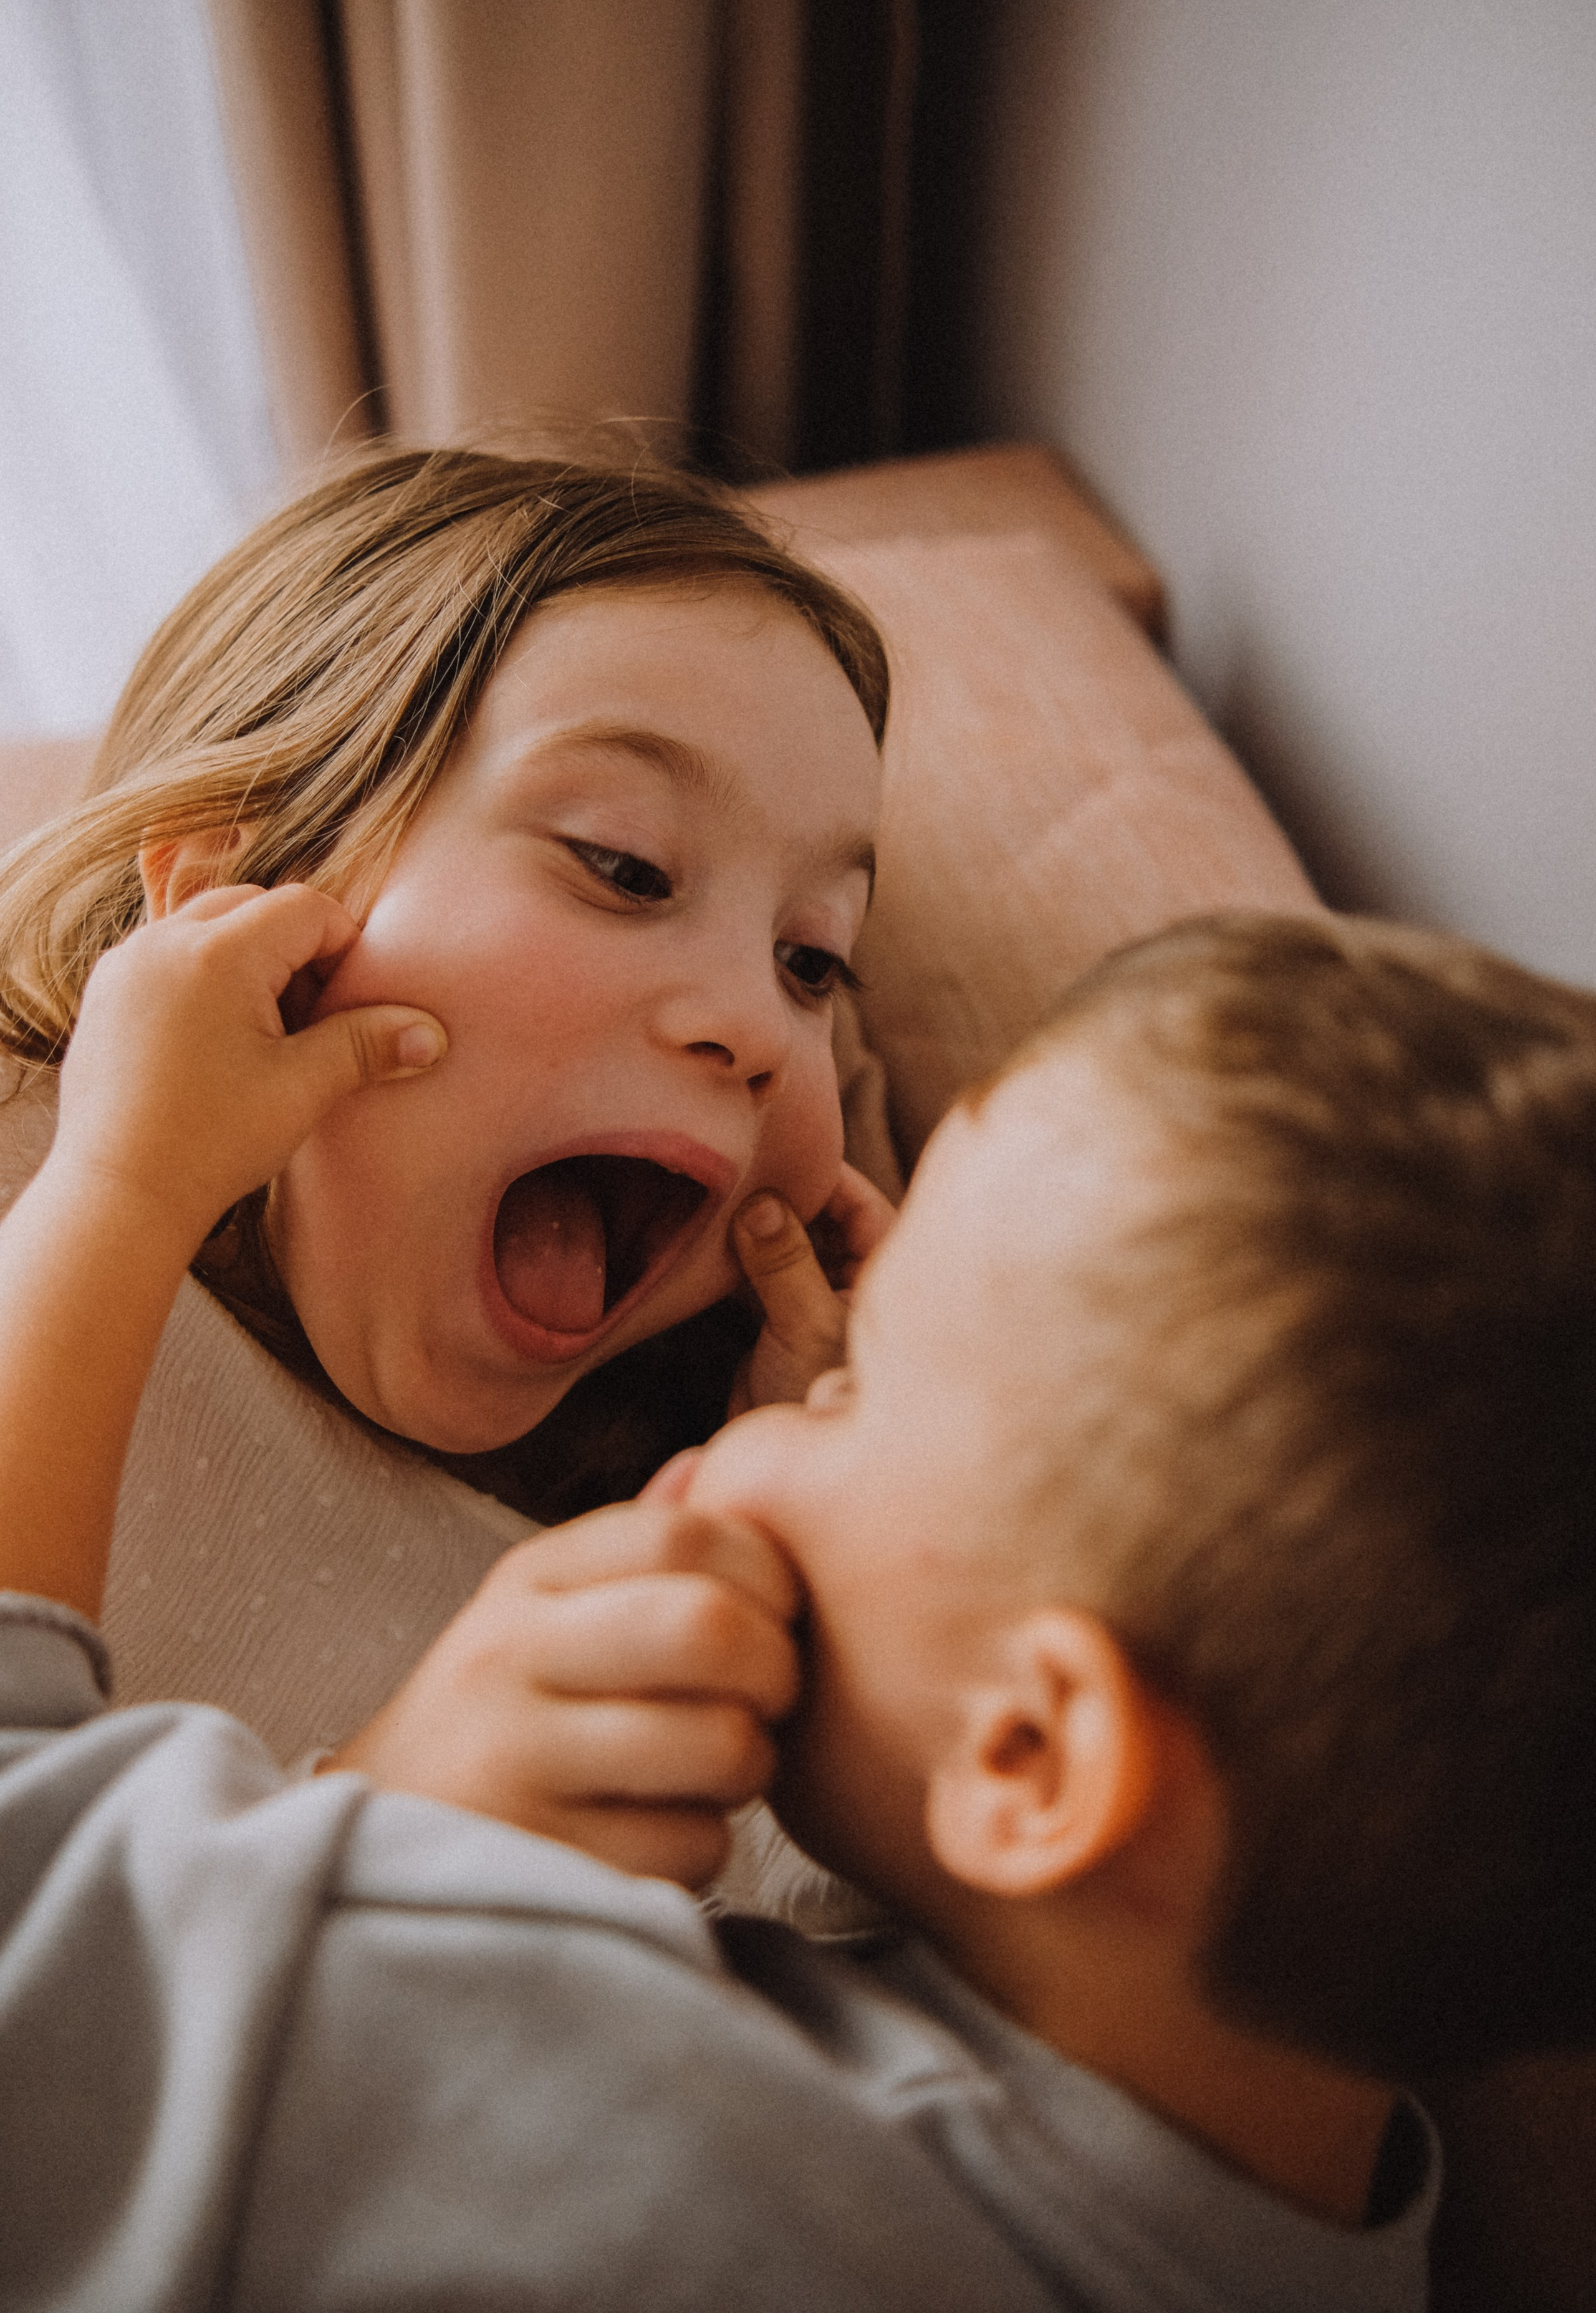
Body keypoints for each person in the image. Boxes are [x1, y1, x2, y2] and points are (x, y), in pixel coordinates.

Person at [10, 900, 1596, 2307]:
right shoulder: (1338, 2208)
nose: (774, 1414)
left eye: (856, 1393)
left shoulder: (622, 2117)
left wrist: (384, 1844)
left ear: (1031, 1760)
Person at [0, 443, 897, 1796]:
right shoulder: (42, 1185)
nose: (757, 1026)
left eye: (812, 960)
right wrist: (122, 1195)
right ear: (224, 906)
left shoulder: (639, 1521)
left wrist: (824, 1521)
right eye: (623, 865)